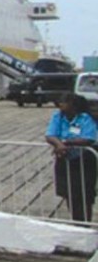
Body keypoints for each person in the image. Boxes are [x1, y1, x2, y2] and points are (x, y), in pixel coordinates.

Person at [46, 93, 98, 222]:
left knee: (84, 194)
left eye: (64, 102)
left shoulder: (85, 117)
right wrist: (59, 144)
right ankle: (76, 221)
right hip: (65, 158)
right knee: (69, 192)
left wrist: (66, 143)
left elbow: (89, 138)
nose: (60, 104)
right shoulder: (57, 116)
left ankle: (85, 223)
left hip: (85, 159)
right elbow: (50, 135)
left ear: (73, 105)